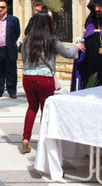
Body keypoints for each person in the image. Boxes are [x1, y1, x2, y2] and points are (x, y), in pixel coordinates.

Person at [20, 12, 84, 153]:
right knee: (46, 110)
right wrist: (77, 47)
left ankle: (26, 138)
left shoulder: (27, 39)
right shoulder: (51, 39)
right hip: (44, 79)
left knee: (32, 108)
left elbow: (24, 58)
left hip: (28, 77)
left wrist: (30, 70)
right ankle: (44, 141)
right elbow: (67, 54)